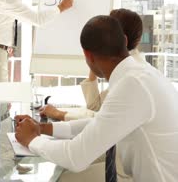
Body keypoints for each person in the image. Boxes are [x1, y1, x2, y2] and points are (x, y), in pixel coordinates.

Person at [15, 15, 178, 181]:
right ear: (124, 40)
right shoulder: (142, 73)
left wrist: (32, 140)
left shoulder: (132, 85)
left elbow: (75, 157)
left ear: (87, 55)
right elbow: (100, 122)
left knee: (64, 177)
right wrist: (43, 129)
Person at [40, 8, 149, 121]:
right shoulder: (132, 65)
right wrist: (96, 55)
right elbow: (96, 106)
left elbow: (98, 116)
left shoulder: (130, 76)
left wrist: (59, 114)